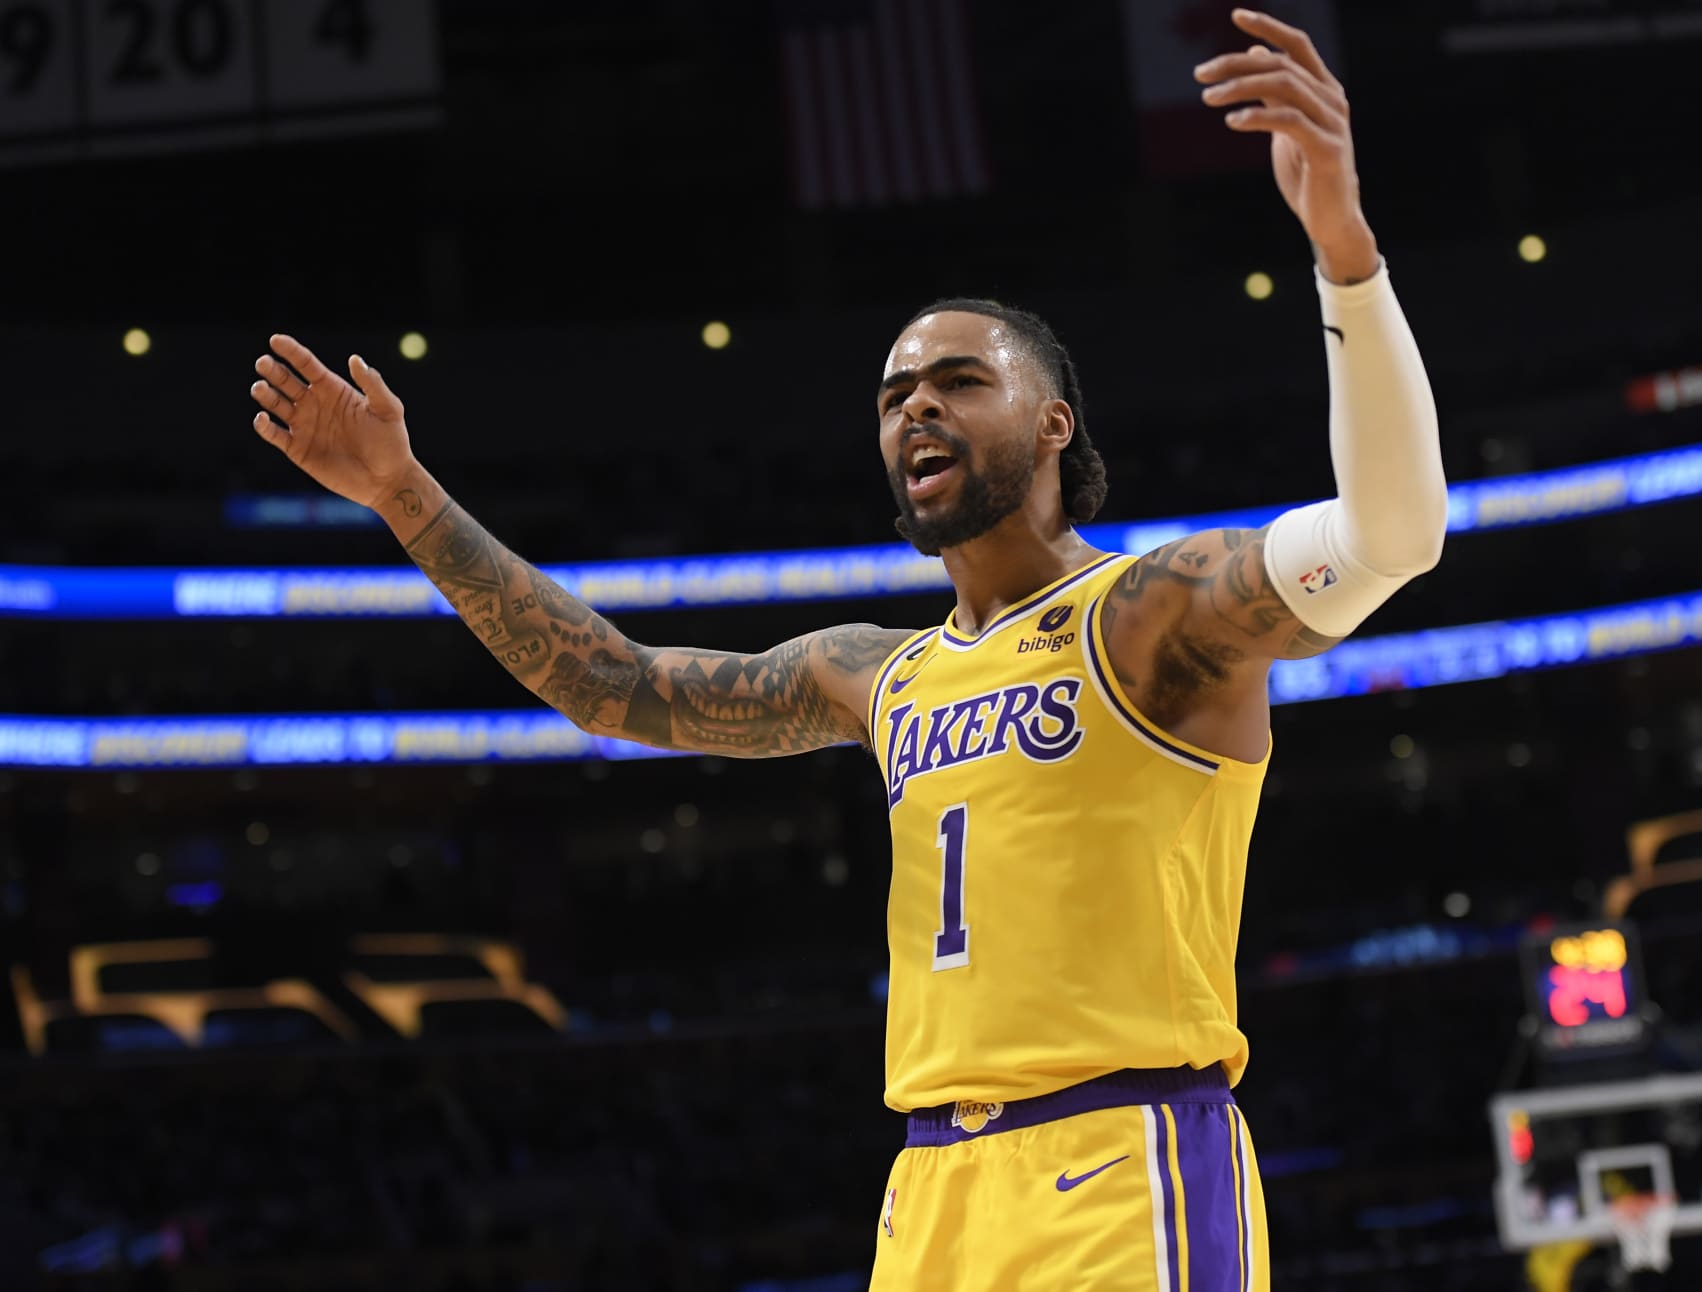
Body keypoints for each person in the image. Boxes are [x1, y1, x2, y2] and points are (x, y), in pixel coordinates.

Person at [247, 10, 1444, 1288]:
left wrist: (1344, 253)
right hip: (928, 1188)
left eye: (956, 380)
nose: (915, 401)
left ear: (1052, 423)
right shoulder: (877, 672)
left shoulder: (1156, 612)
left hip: (1119, 1153)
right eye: (892, 394)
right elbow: (613, 683)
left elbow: (1392, 535)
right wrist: (407, 501)